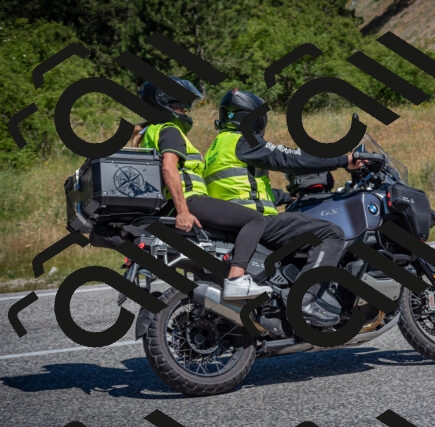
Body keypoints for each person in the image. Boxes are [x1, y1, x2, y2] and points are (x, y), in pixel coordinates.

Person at [203, 89, 364, 327]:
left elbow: (240, 186)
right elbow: (290, 159)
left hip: (234, 219)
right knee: (331, 234)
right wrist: (342, 160)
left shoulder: (216, 147)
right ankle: (304, 301)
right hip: (257, 220)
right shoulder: (244, 140)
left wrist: (286, 196)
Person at [136, 78, 272, 300]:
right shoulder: (170, 130)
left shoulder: (150, 132)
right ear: (163, 104)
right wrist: (183, 211)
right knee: (255, 220)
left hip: (168, 204)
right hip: (190, 201)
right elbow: (169, 168)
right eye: (180, 106)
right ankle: (236, 280)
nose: (185, 112)